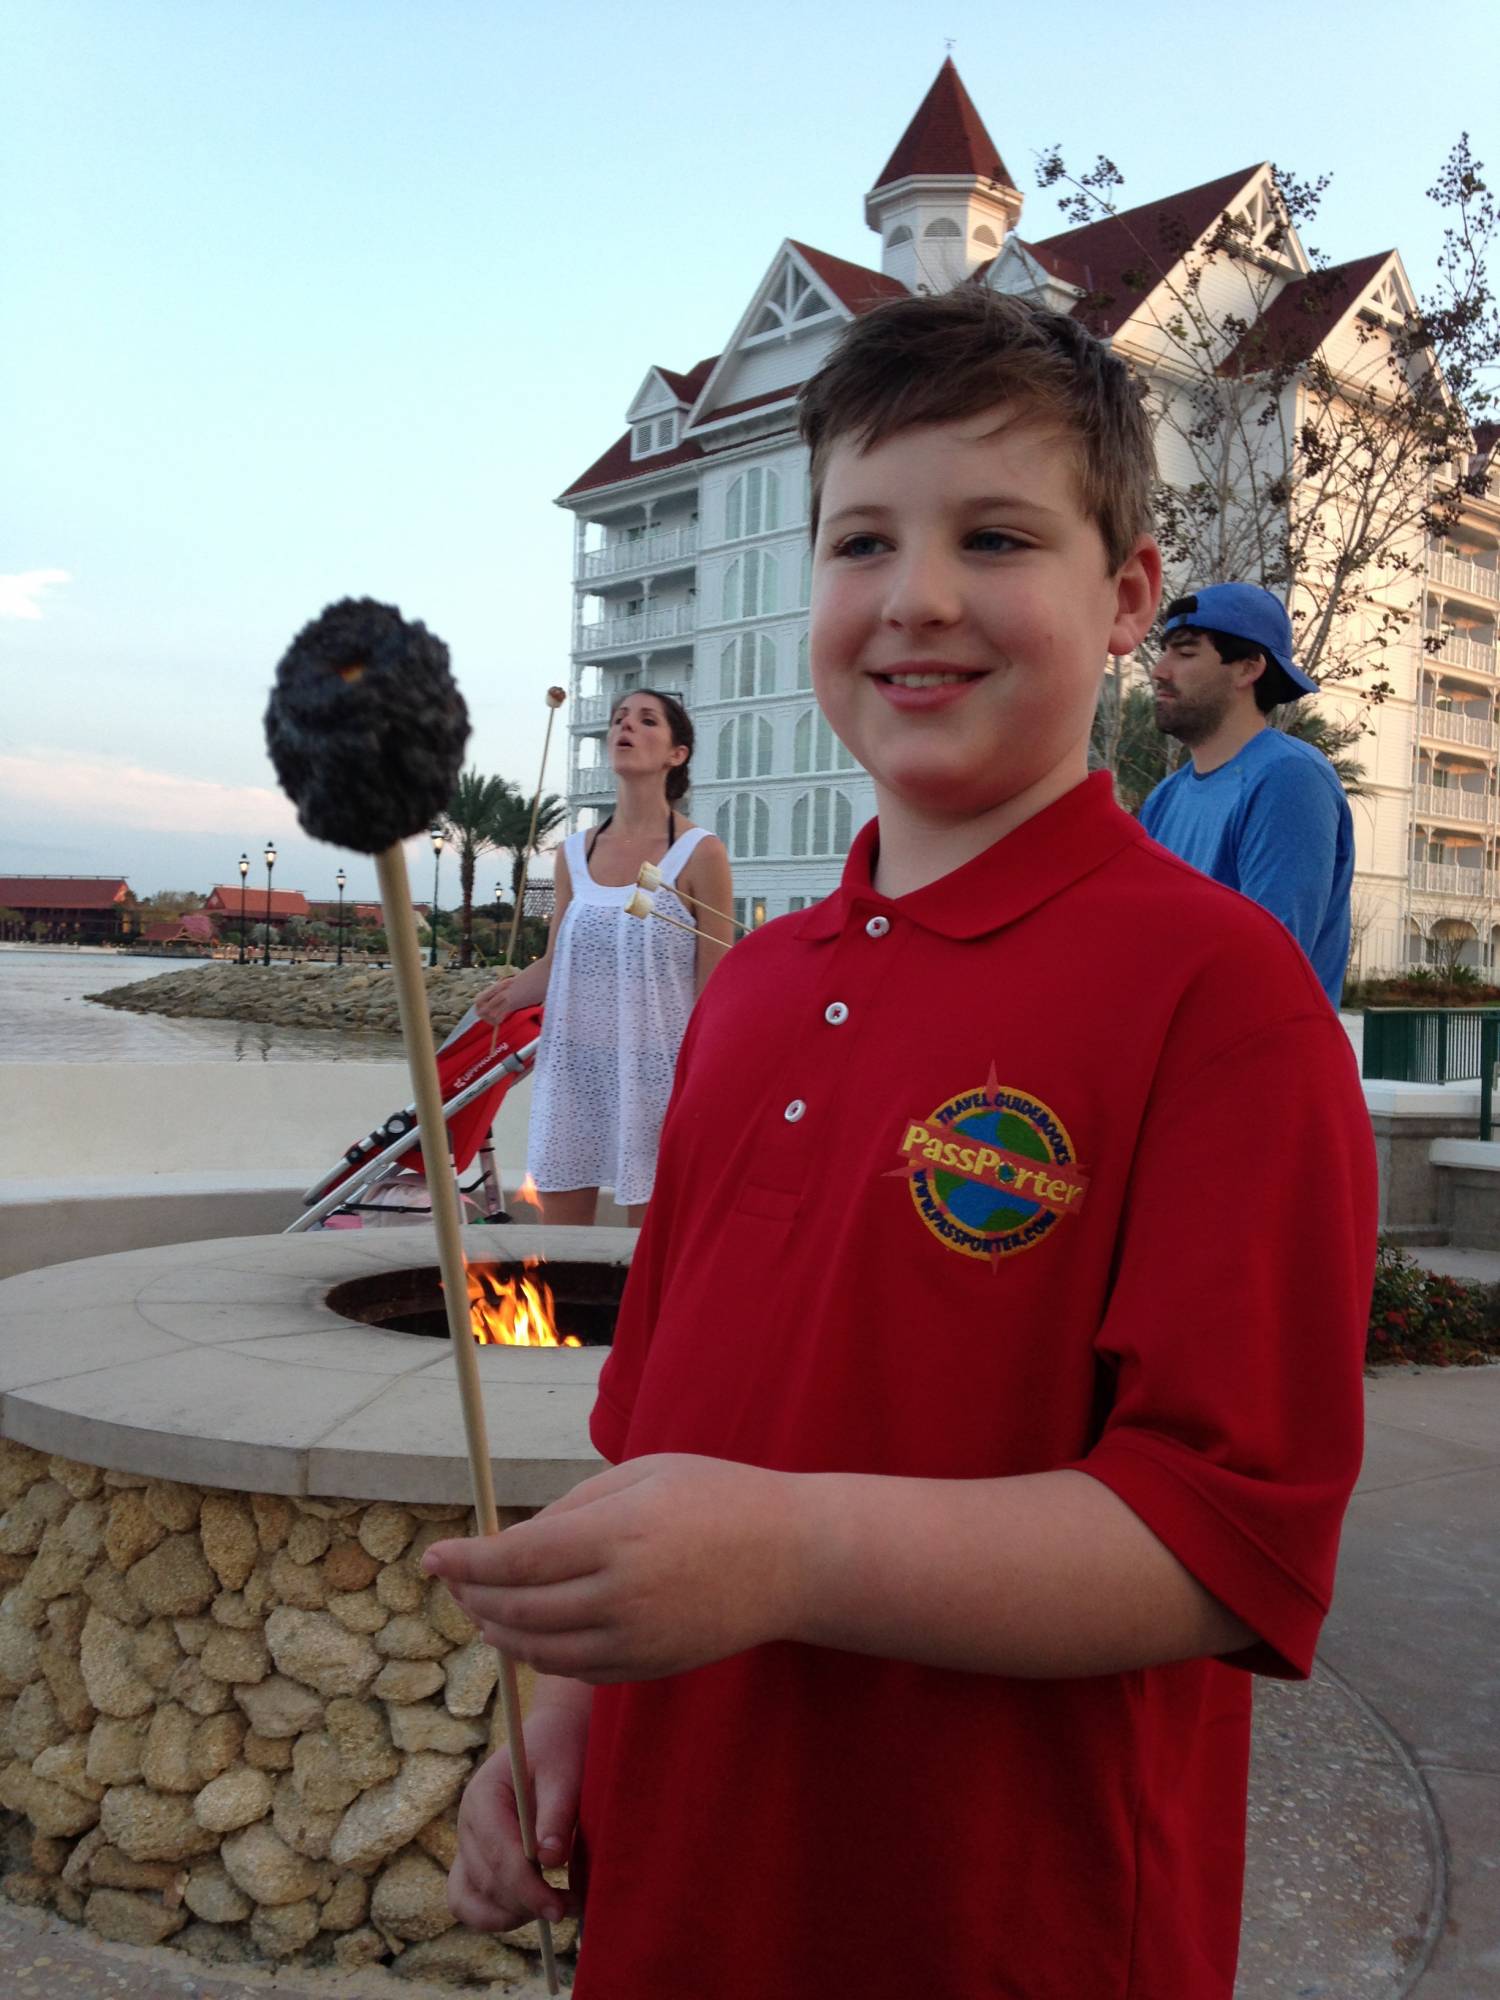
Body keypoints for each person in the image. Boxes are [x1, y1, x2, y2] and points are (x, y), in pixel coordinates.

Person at [425, 290, 1377, 1999]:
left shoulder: (1220, 998)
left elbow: (1219, 1541)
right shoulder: (757, 991)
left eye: (996, 535)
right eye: (864, 539)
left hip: (1012, 1927)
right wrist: (565, 1713)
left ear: (1129, 600)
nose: (918, 595)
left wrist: (792, 1554)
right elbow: (658, 1439)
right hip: (681, 1897)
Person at [474, 688, 733, 1225]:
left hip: (659, 1071)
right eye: (619, 719)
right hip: (574, 1067)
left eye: (646, 720)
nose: (626, 727)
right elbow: (557, 963)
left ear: (675, 754)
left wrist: (710, 1080)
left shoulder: (701, 851)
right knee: (562, 1252)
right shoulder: (572, 852)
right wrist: (504, 995)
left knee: (649, 1251)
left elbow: (716, 985)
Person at [1140, 583, 1355, 1009]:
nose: (1159, 670)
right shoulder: (1164, 800)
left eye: (1184, 653)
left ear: (1247, 668)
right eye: (1164, 652)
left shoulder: (1288, 779)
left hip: (1259, 1071)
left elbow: (1262, 971)